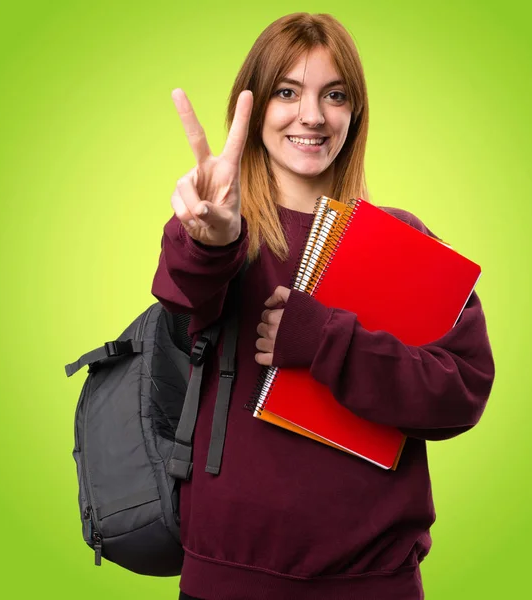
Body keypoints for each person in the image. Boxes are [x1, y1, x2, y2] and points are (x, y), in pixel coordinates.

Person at [151, 12, 495, 600]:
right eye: (287, 91)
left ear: (353, 114)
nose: (312, 115)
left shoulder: (403, 241)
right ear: (252, 107)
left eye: (334, 95)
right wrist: (211, 239)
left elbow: (461, 391)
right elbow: (185, 291)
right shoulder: (217, 234)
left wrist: (326, 340)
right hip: (226, 578)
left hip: (374, 580)